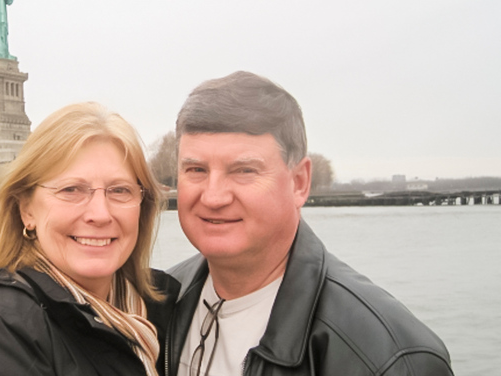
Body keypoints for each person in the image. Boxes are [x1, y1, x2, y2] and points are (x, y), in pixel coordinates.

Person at [162, 71, 453, 376]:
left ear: (299, 182)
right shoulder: (154, 306)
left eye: (244, 170)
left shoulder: (388, 358)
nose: (214, 196)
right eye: (196, 169)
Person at [0, 102, 172, 376]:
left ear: (142, 205)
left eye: (119, 190)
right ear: (26, 209)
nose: (100, 214)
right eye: (71, 190)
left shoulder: (164, 310)